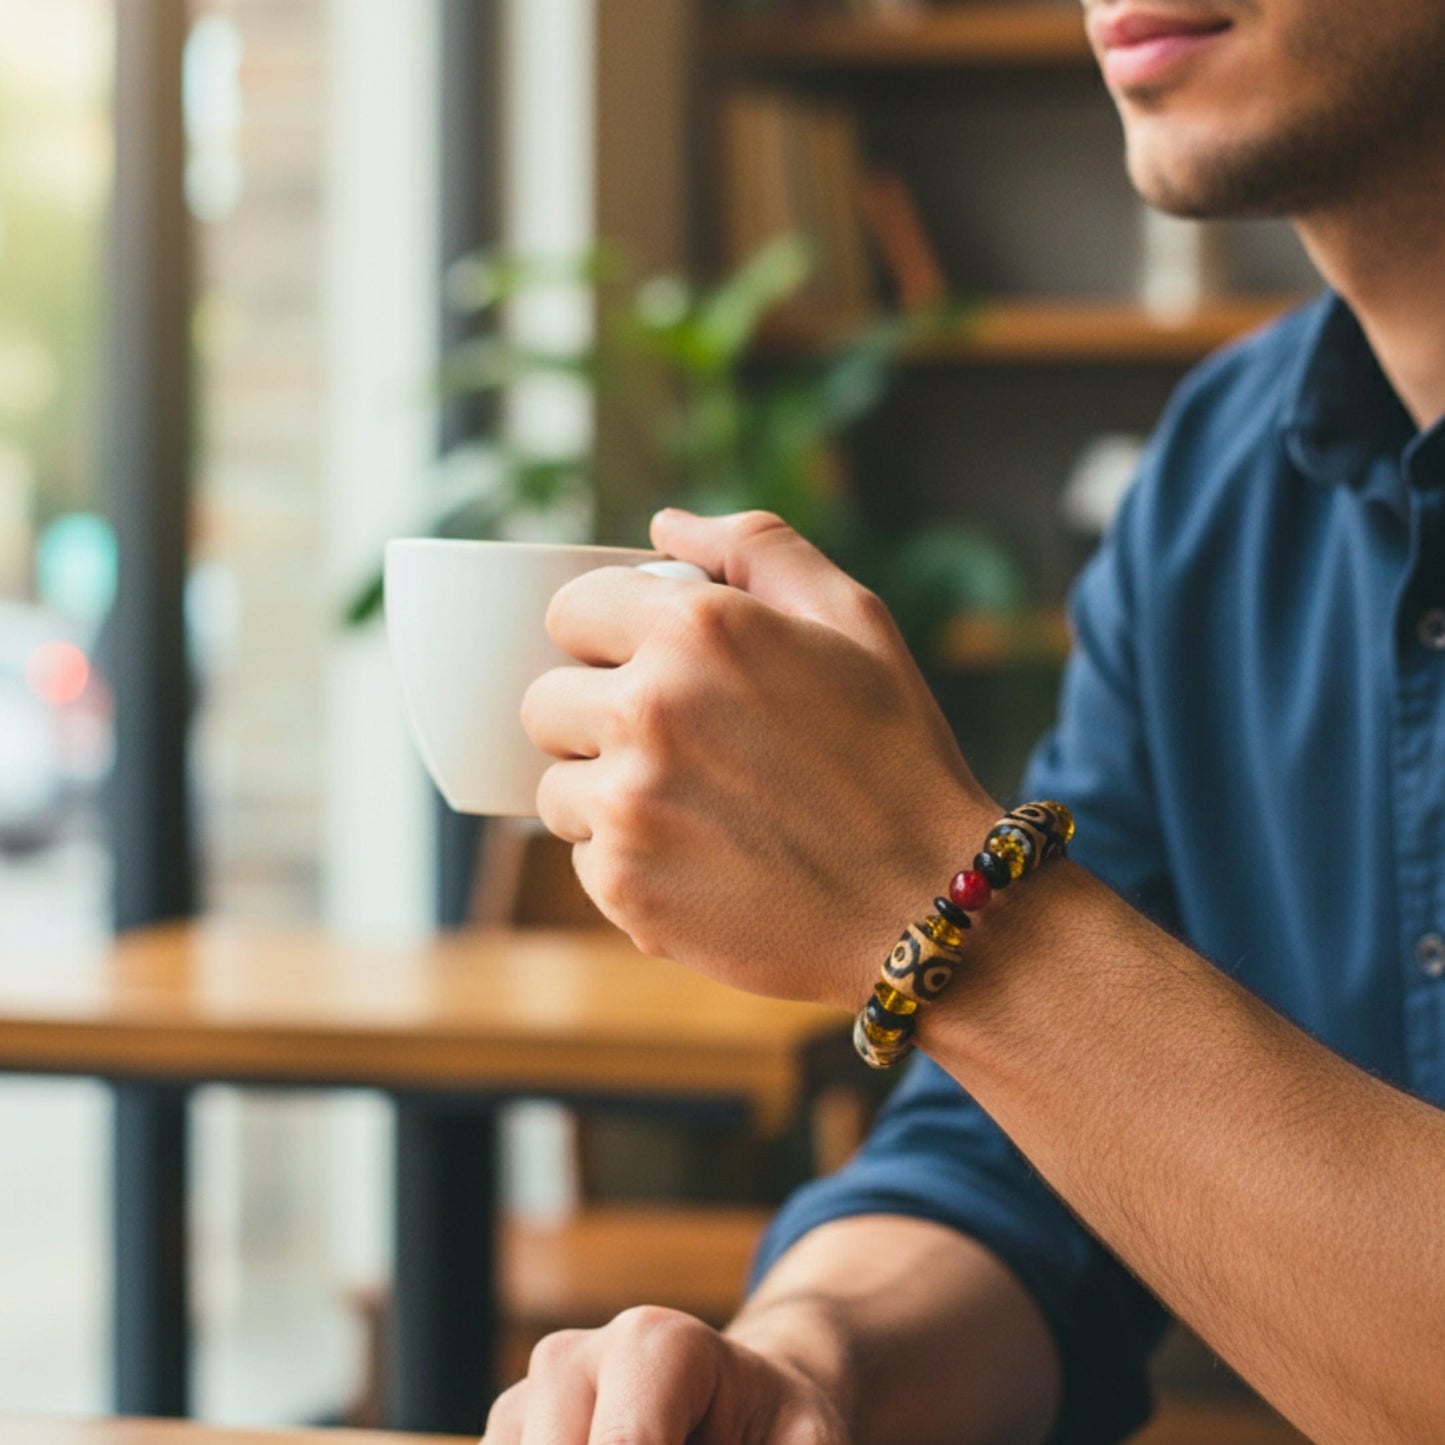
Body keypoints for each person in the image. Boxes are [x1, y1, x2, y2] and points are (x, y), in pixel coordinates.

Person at [484, 0, 1445, 1439]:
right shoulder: (1210, 487)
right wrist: (812, 1358)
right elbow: (1025, 1160)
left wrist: (927, 892)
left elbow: (1033, 1012)